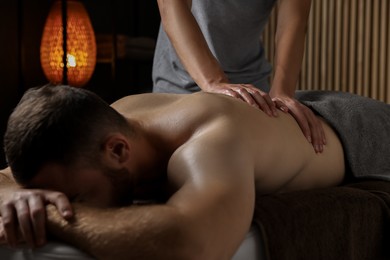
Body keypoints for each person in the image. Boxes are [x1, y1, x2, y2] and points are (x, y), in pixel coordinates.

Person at [1, 85, 389, 259]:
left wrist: (56, 218)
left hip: (361, 133)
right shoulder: (105, 124)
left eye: (76, 198)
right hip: (288, 115)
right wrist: (17, 197)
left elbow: (191, 245)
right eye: (59, 198)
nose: (60, 202)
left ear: (118, 150)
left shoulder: (208, 141)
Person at [152, 0, 326, 153]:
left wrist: (282, 92)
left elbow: (293, 20)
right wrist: (214, 83)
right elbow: (171, 5)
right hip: (179, 84)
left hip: (253, 90)